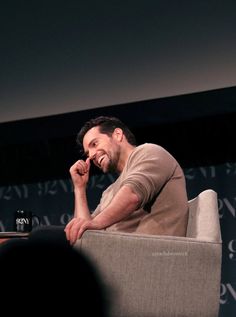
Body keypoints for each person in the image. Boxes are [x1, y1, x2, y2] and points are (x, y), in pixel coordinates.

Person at [65, 116, 189, 245]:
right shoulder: (109, 192)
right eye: (87, 153)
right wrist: (79, 188)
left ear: (118, 135)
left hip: (151, 255)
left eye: (95, 144)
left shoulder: (149, 151)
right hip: (115, 256)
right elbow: (82, 236)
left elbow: (132, 195)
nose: (91, 155)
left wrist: (95, 223)